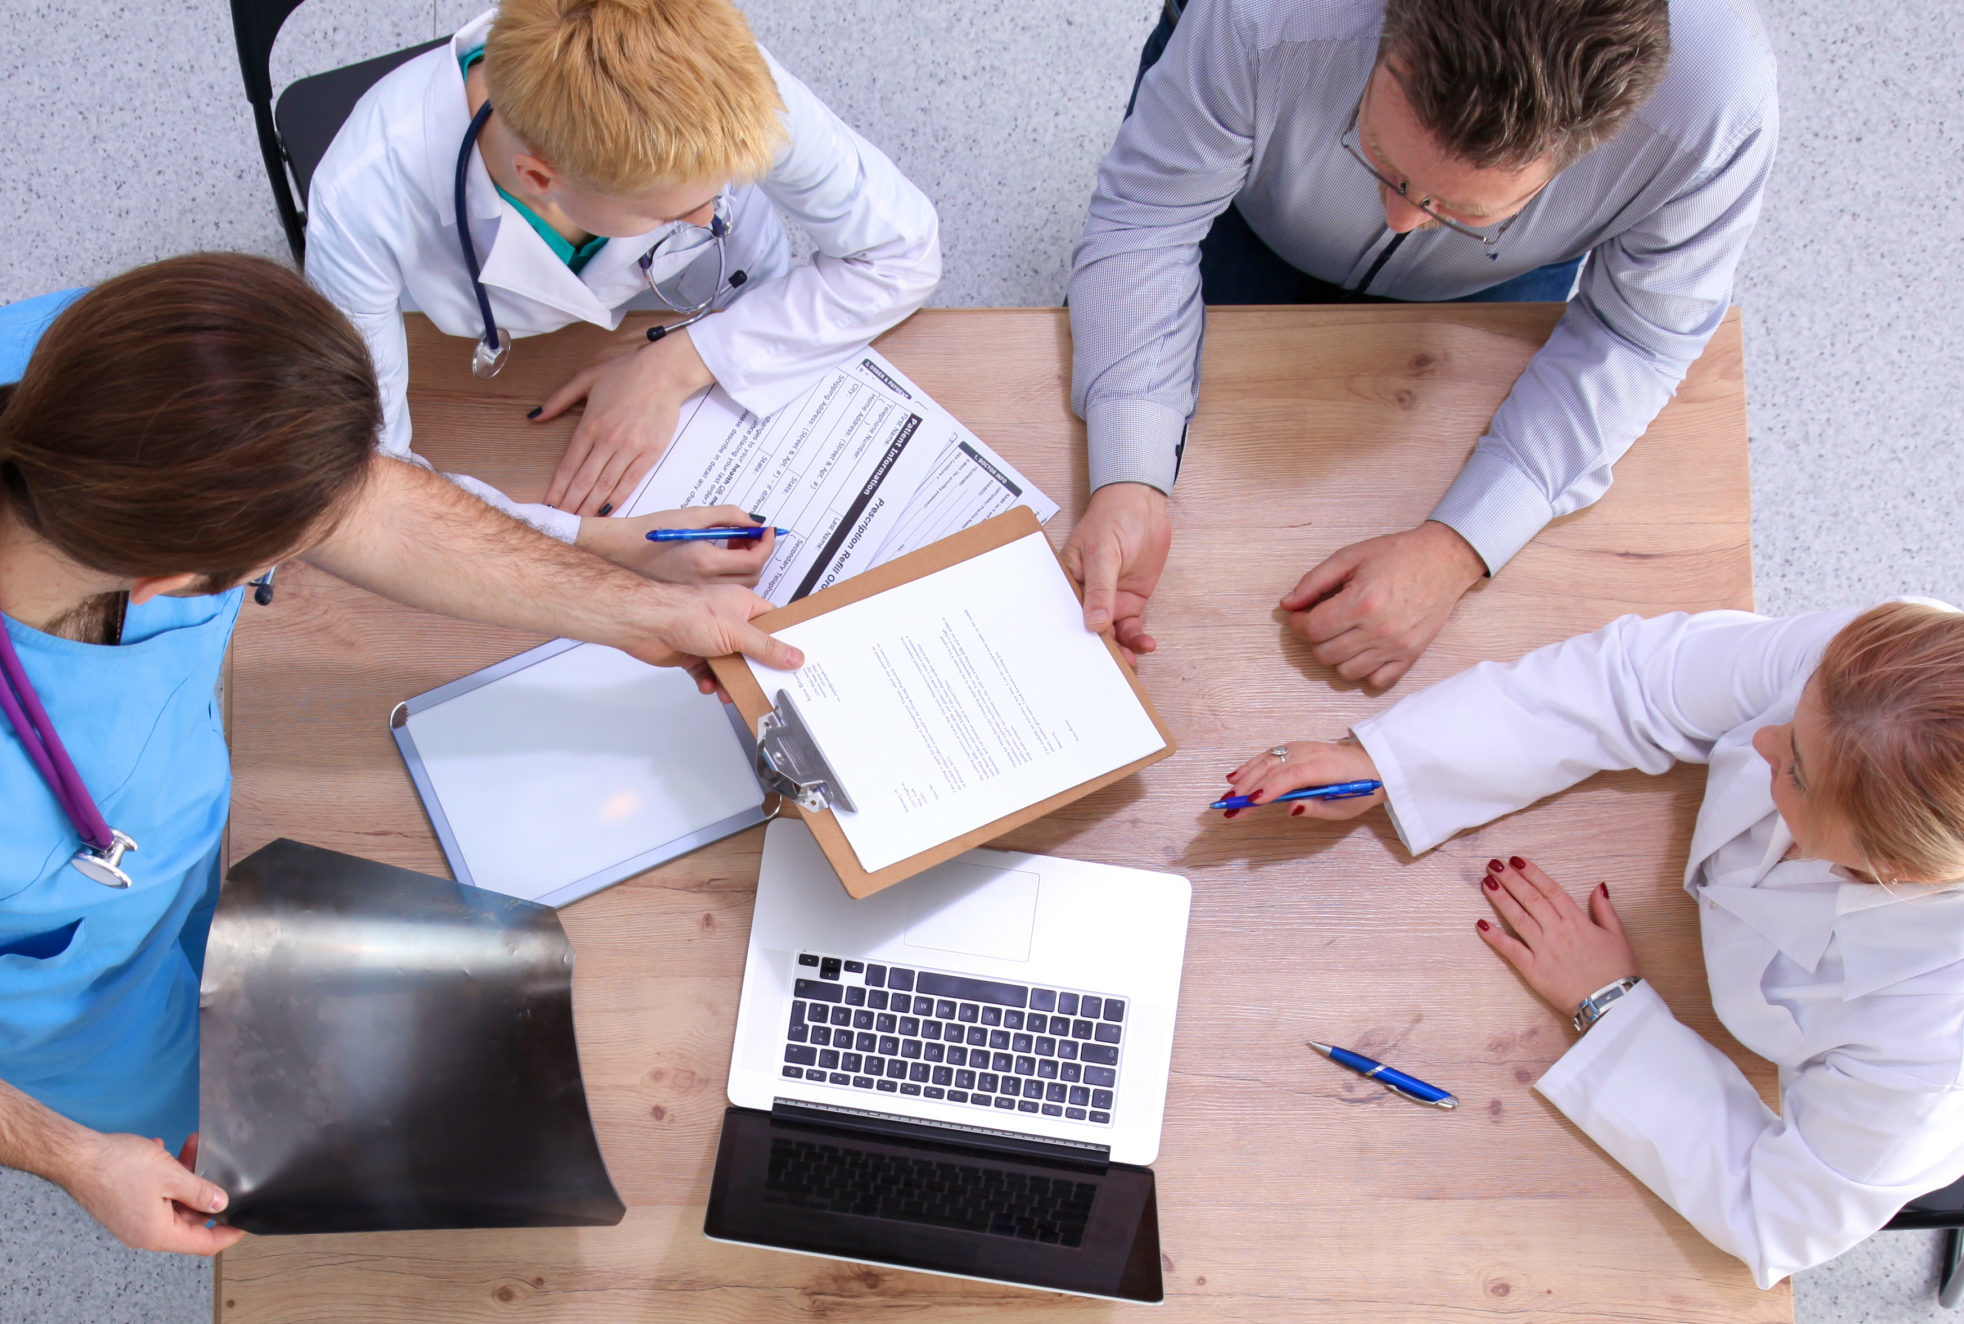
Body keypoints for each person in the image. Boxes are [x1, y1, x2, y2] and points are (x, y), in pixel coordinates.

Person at [0, 253, 801, 1256]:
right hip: (70, 1009)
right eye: (279, 555)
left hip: (157, 856)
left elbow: (365, 506)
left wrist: (643, 610)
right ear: (169, 575)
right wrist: (74, 1156)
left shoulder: (109, 364)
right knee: (187, 1132)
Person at [1223, 603, 1964, 1286]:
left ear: (1893, 870)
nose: (1761, 739)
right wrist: (1397, 763)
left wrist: (1609, 1007)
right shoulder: (1894, 673)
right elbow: (1636, 682)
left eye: (1794, 768)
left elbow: (1778, 1212)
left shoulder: (1934, 1046)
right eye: (1792, 719)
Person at [1063, 0, 1776, 687]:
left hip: (1492, 280)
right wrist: (1130, 473)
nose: (1402, 217)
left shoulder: (1718, 109)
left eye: (1459, 207)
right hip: (1250, 194)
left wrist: (1462, 546)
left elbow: (1635, 338)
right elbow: (1150, 218)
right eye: (1377, 152)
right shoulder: (1265, 13)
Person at [305, 0, 941, 561]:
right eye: (668, 213)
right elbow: (370, 476)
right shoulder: (364, 195)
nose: (710, 217)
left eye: (722, 187)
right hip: (468, 362)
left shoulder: (715, 78)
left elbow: (903, 251)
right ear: (540, 181)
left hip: (716, 318)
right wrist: (597, 546)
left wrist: (680, 361)